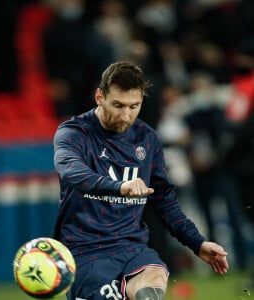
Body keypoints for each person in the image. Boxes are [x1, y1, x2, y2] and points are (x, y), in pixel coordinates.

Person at [53, 61, 229, 300]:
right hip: (86, 252)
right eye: (118, 105)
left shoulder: (147, 138)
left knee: (154, 281)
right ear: (99, 96)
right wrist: (120, 187)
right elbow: (72, 172)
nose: (126, 115)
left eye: (134, 106)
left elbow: (165, 200)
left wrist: (197, 243)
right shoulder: (74, 133)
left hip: (131, 247)